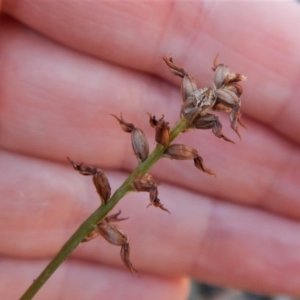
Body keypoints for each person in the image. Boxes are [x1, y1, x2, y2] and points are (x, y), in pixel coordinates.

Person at [1, 1, 300, 299]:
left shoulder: (186, 122)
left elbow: (178, 127)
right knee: (120, 164)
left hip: (167, 142)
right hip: (161, 144)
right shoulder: (177, 123)